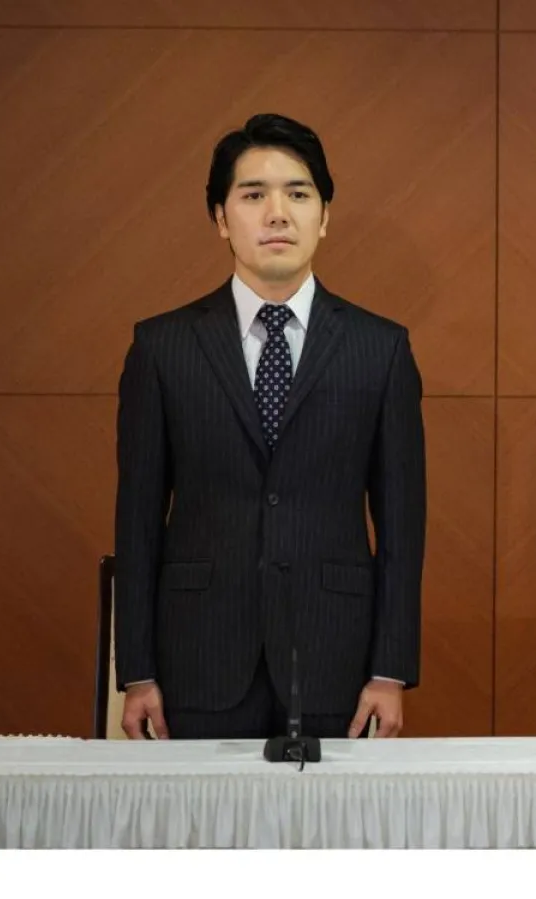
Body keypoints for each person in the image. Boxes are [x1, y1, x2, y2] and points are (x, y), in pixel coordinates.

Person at [113, 113, 426, 741]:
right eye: (254, 195)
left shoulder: (381, 349)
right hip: (193, 663)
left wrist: (389, 672)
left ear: (325, 216)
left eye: (299, 194)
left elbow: (401, 525)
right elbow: (138, 518)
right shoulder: (162, 346)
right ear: (222, 220)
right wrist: (138, 673)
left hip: (336, 662)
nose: (277, 213)